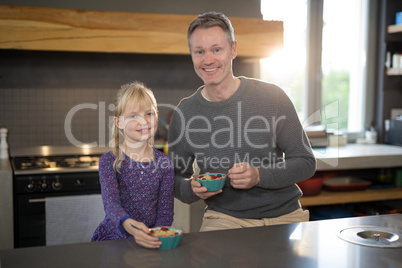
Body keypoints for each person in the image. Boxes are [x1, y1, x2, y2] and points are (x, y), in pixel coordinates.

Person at [168, 12, 316, 232]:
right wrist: (192, 188)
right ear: (192, 55)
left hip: (286, 216)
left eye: (216, 49)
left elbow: (305, 162)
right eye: (200, 51)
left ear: (233, 50)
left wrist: (259, 176)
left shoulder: (272, 97)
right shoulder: (185, 113)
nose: (208, 60)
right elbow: (173, 178)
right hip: (225, 219)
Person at [92, 81, 174, 249]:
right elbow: (111, 206)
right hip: (115, 239)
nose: (143, 121)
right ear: (119, 122)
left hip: (150, 241)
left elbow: (165, 213)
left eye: (149, 113)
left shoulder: (165, 164)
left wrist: (155, 237)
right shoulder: (109, 161)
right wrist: (129, 225)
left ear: (157, 115)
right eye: (133, 116)